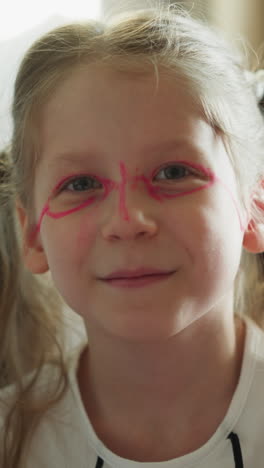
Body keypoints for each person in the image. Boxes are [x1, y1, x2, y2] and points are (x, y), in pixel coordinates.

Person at [1, 4, 264, 468]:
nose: (128, 220)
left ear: (255, 207)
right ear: (33, 233)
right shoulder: (11, 438)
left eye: (174, 171)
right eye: (80, 184)